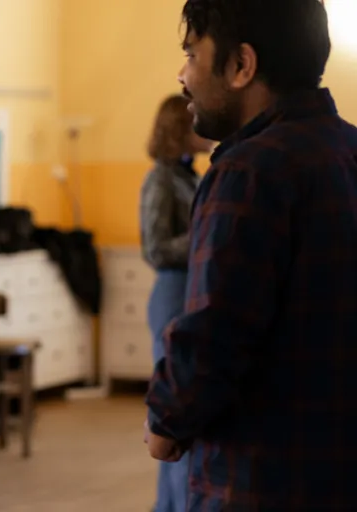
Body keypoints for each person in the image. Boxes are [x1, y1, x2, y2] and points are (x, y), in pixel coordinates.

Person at [144, 0, 357, 509]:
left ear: (242, 65)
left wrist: (166, 420)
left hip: (262, 477)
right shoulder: (347, 149)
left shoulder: (249, 171)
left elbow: (216, 330)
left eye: (193, 54)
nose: (182, 74)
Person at [140, 94, 212, 512]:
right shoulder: (161, 180)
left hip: (192, 286)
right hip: (172, 289)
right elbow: (155, 248)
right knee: (173, 408)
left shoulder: (191, 177)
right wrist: (207, 233)